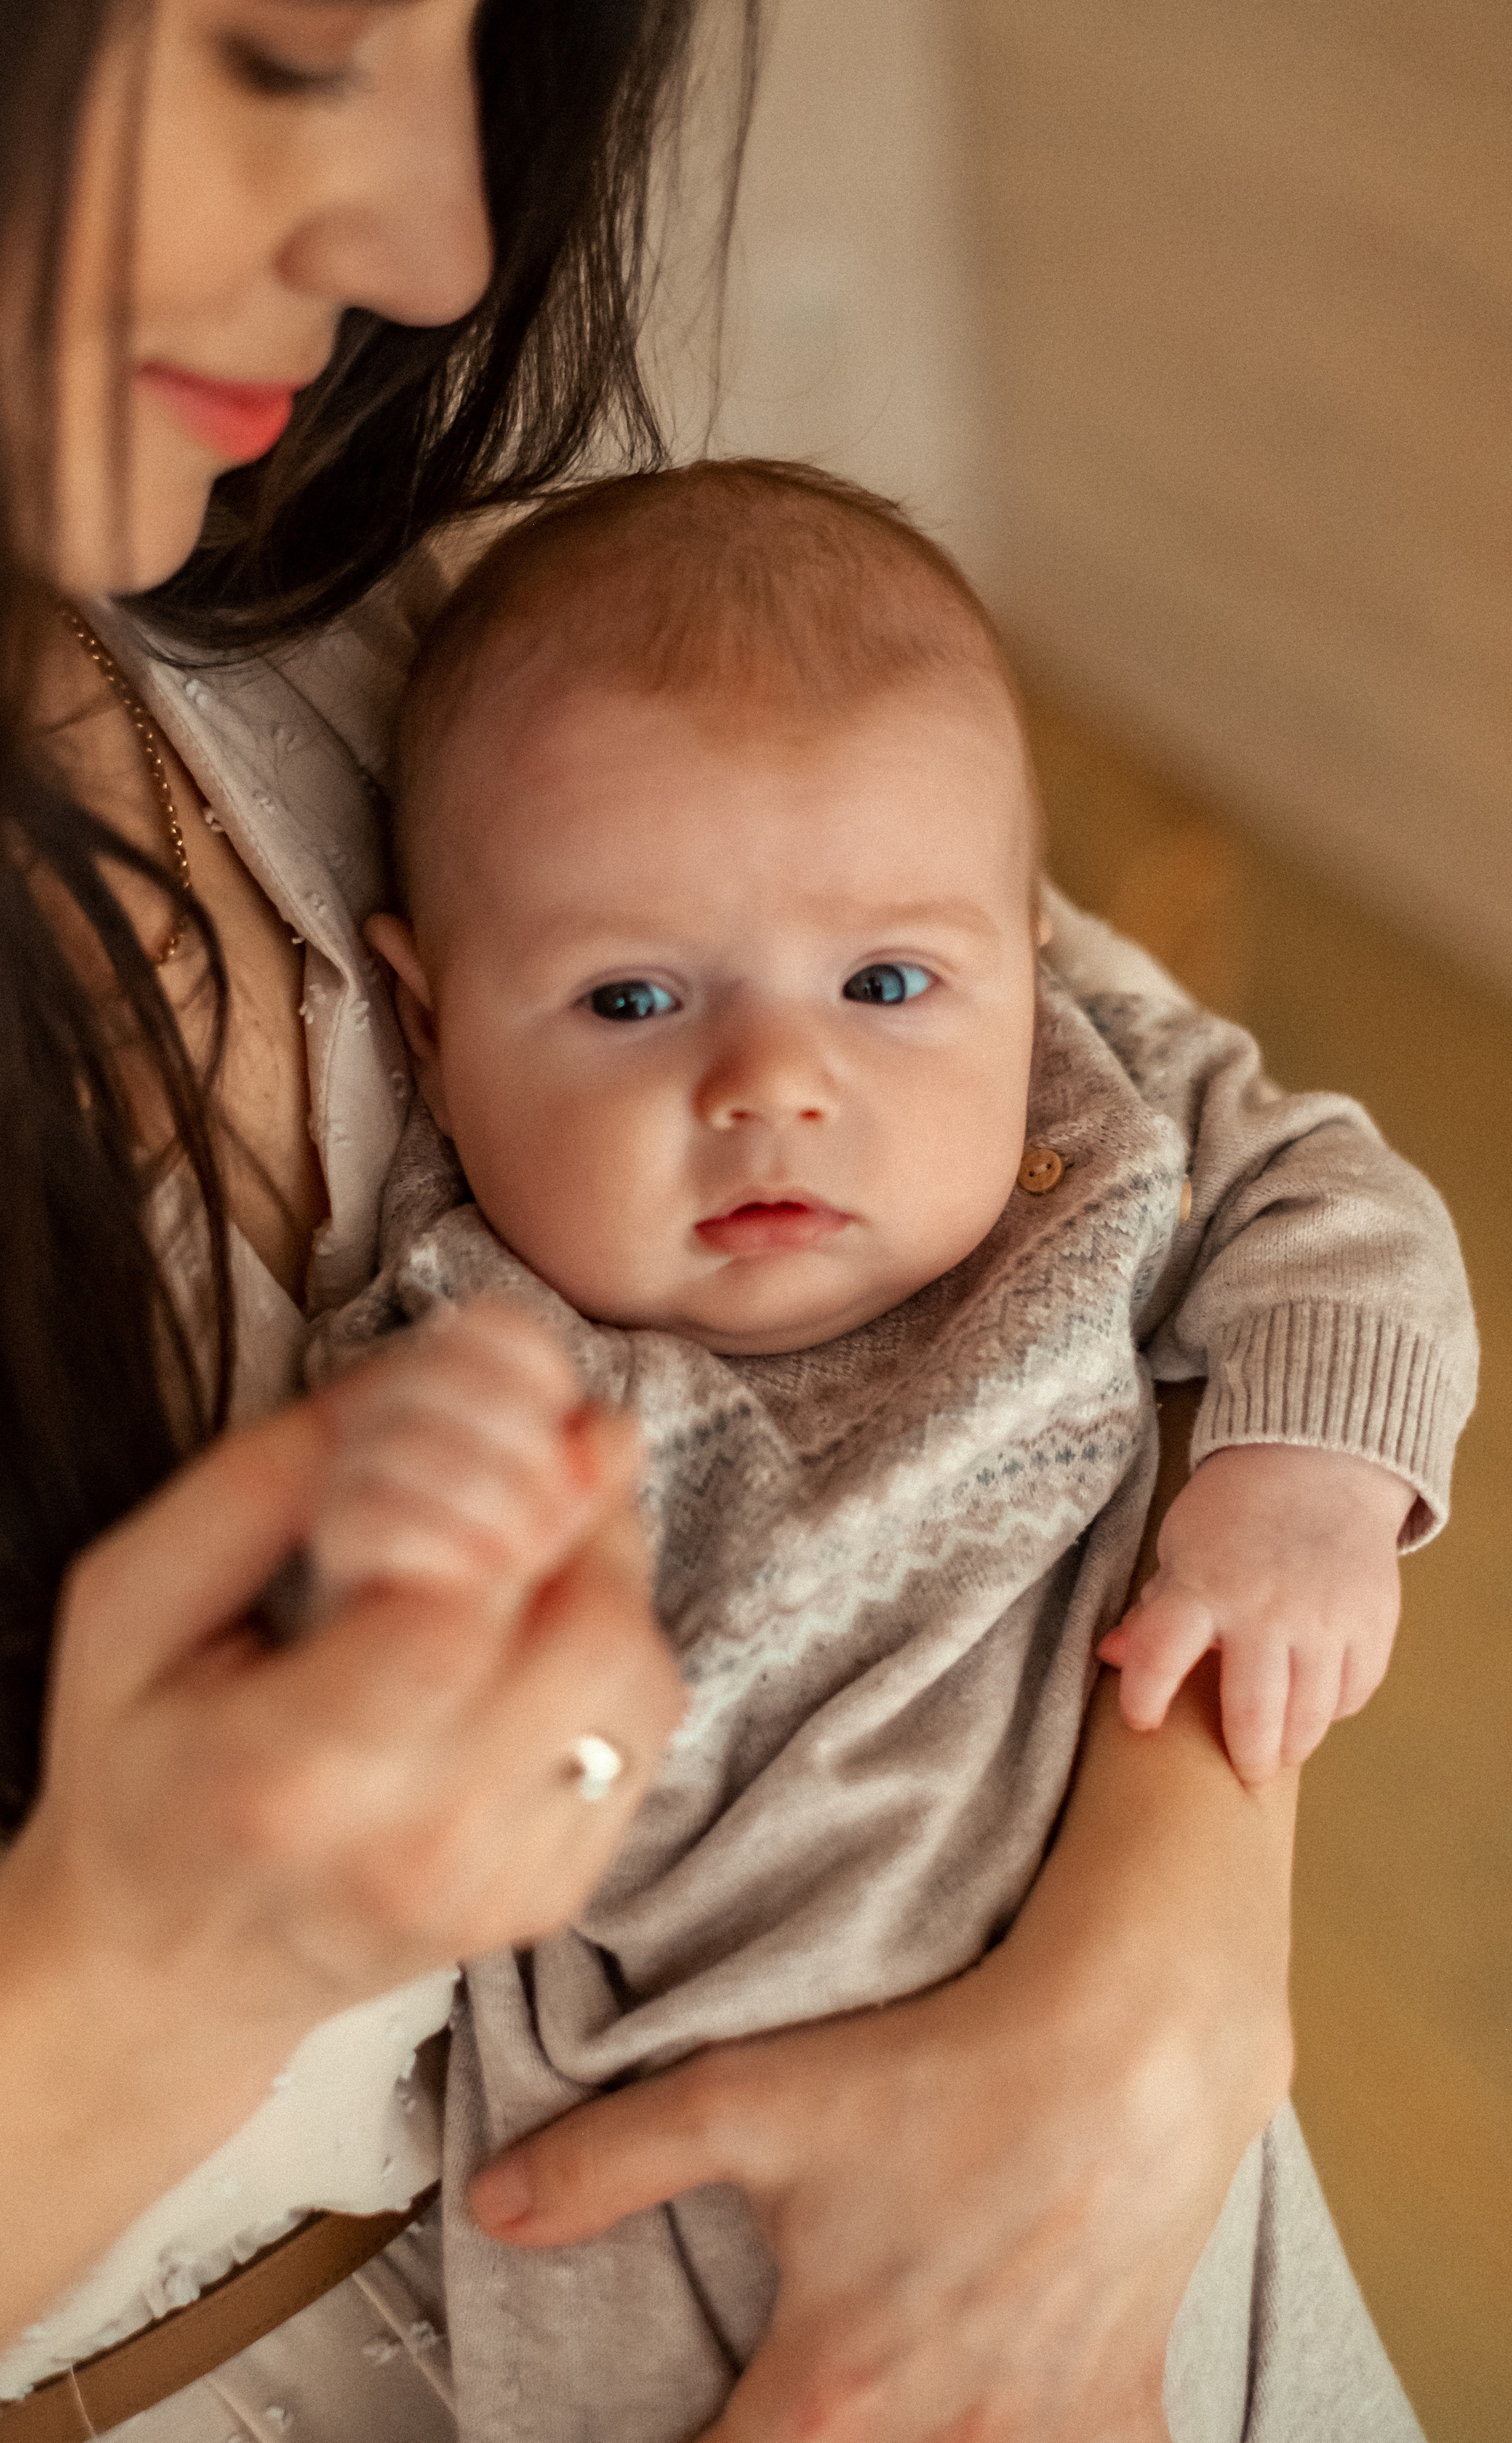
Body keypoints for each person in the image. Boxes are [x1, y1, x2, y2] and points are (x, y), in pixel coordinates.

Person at [0, 0, 1439, 2440]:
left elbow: (1206, 1198)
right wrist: (145, 1969)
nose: (444, 246)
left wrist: (1165, 1966)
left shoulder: (404, 619)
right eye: (302, 43)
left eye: (480, 23)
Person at [305, 459, 1472, 2440]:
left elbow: (1342, 1204)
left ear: (1026, 951)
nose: (774, 1082)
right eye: (633, 996)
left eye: (888, 985)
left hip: (1171, 2190)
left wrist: (1300, 1489)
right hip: (686, 2215)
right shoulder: (461, 1333)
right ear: (426, 1018)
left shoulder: (1084, 1127)